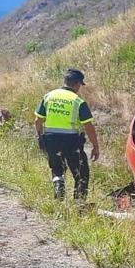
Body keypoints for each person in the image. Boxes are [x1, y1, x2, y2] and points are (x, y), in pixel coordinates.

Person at [35, 69, 100, 200]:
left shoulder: (49, 96)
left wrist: (40, 137)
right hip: (72, 142)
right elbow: (88, 126)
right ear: (77, 84)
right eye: (80, 85)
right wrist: (95, 146)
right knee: (81, 174)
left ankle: (59, 186)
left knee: (57, 169)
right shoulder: (78, 101)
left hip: (51, 139)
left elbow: (38, 120)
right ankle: (79, 204)